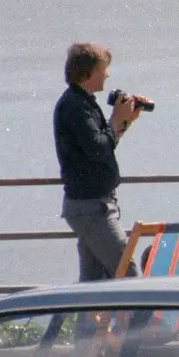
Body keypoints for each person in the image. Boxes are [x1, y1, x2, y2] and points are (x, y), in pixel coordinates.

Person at [54, 42, 150, 281]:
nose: (107, 74)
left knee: (93, 284)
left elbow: (102, 147)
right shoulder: (75, 107)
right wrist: (116, 119)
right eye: (103, 69)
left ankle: (80, 319)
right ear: (88, 72)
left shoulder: (83, 103)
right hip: (91, 209)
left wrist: (123, 123)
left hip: (92, 206)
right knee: (126, 273)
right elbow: (98, 149)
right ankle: (141, 319)